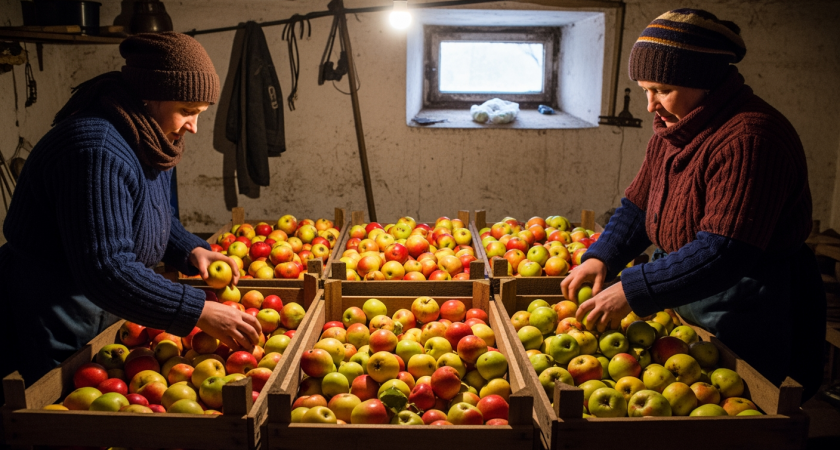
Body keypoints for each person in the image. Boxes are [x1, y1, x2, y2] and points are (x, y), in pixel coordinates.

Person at [561, 9, 826, 401]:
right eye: (644, 89)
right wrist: (603, 256)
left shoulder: (750, 139)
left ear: (705, 82)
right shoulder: (675, 129)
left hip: (745, 305)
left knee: (735, 415)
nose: (650, 105)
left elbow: (724, 252)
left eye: (662, 89)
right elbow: (637, 206)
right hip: (686, 293)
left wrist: (634, 288)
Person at [0, 33, 261, 401]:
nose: (194, 126)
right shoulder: (96, 148)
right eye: (187, 110)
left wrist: (189, 249)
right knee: (68, 409)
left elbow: (148, 213)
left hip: (102, 296)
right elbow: (107, 268)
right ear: (149, 95)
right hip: (56, 302)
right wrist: (198, 310)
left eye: (200, 113)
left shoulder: (149, 136)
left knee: (109, 396)